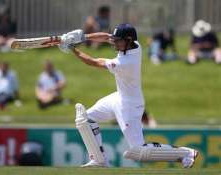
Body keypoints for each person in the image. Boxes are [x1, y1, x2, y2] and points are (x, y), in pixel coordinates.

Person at [58, 24, 198, 168]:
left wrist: (72, 48)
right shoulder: (133, 44)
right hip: (118, 97)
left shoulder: (125, 63)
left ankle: (185, 153)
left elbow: (93, 62)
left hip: (130, 105)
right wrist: (83, 37)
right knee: (85, 120)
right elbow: (106, 37)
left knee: (139, 151)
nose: (115, 43)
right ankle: (99, 160)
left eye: (119, 41)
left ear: (129, 40)